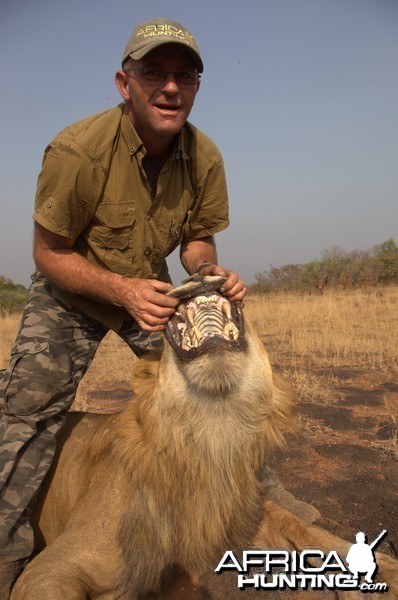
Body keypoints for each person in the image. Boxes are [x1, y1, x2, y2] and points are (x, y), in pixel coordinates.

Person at [0, 18, 317, 597]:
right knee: (26, 415)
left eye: (184, 75)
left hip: (150, 291)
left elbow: (198, 241)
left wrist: (207, 273)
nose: (170, 88)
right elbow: (49, 253)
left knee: (218, 387)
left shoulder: (206, 156)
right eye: (154, 74)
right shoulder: (76, 151)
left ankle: (261, 502)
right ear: (125, 83)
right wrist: (118, 291)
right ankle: (7, 553)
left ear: (197, 85)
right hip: (73, 289)